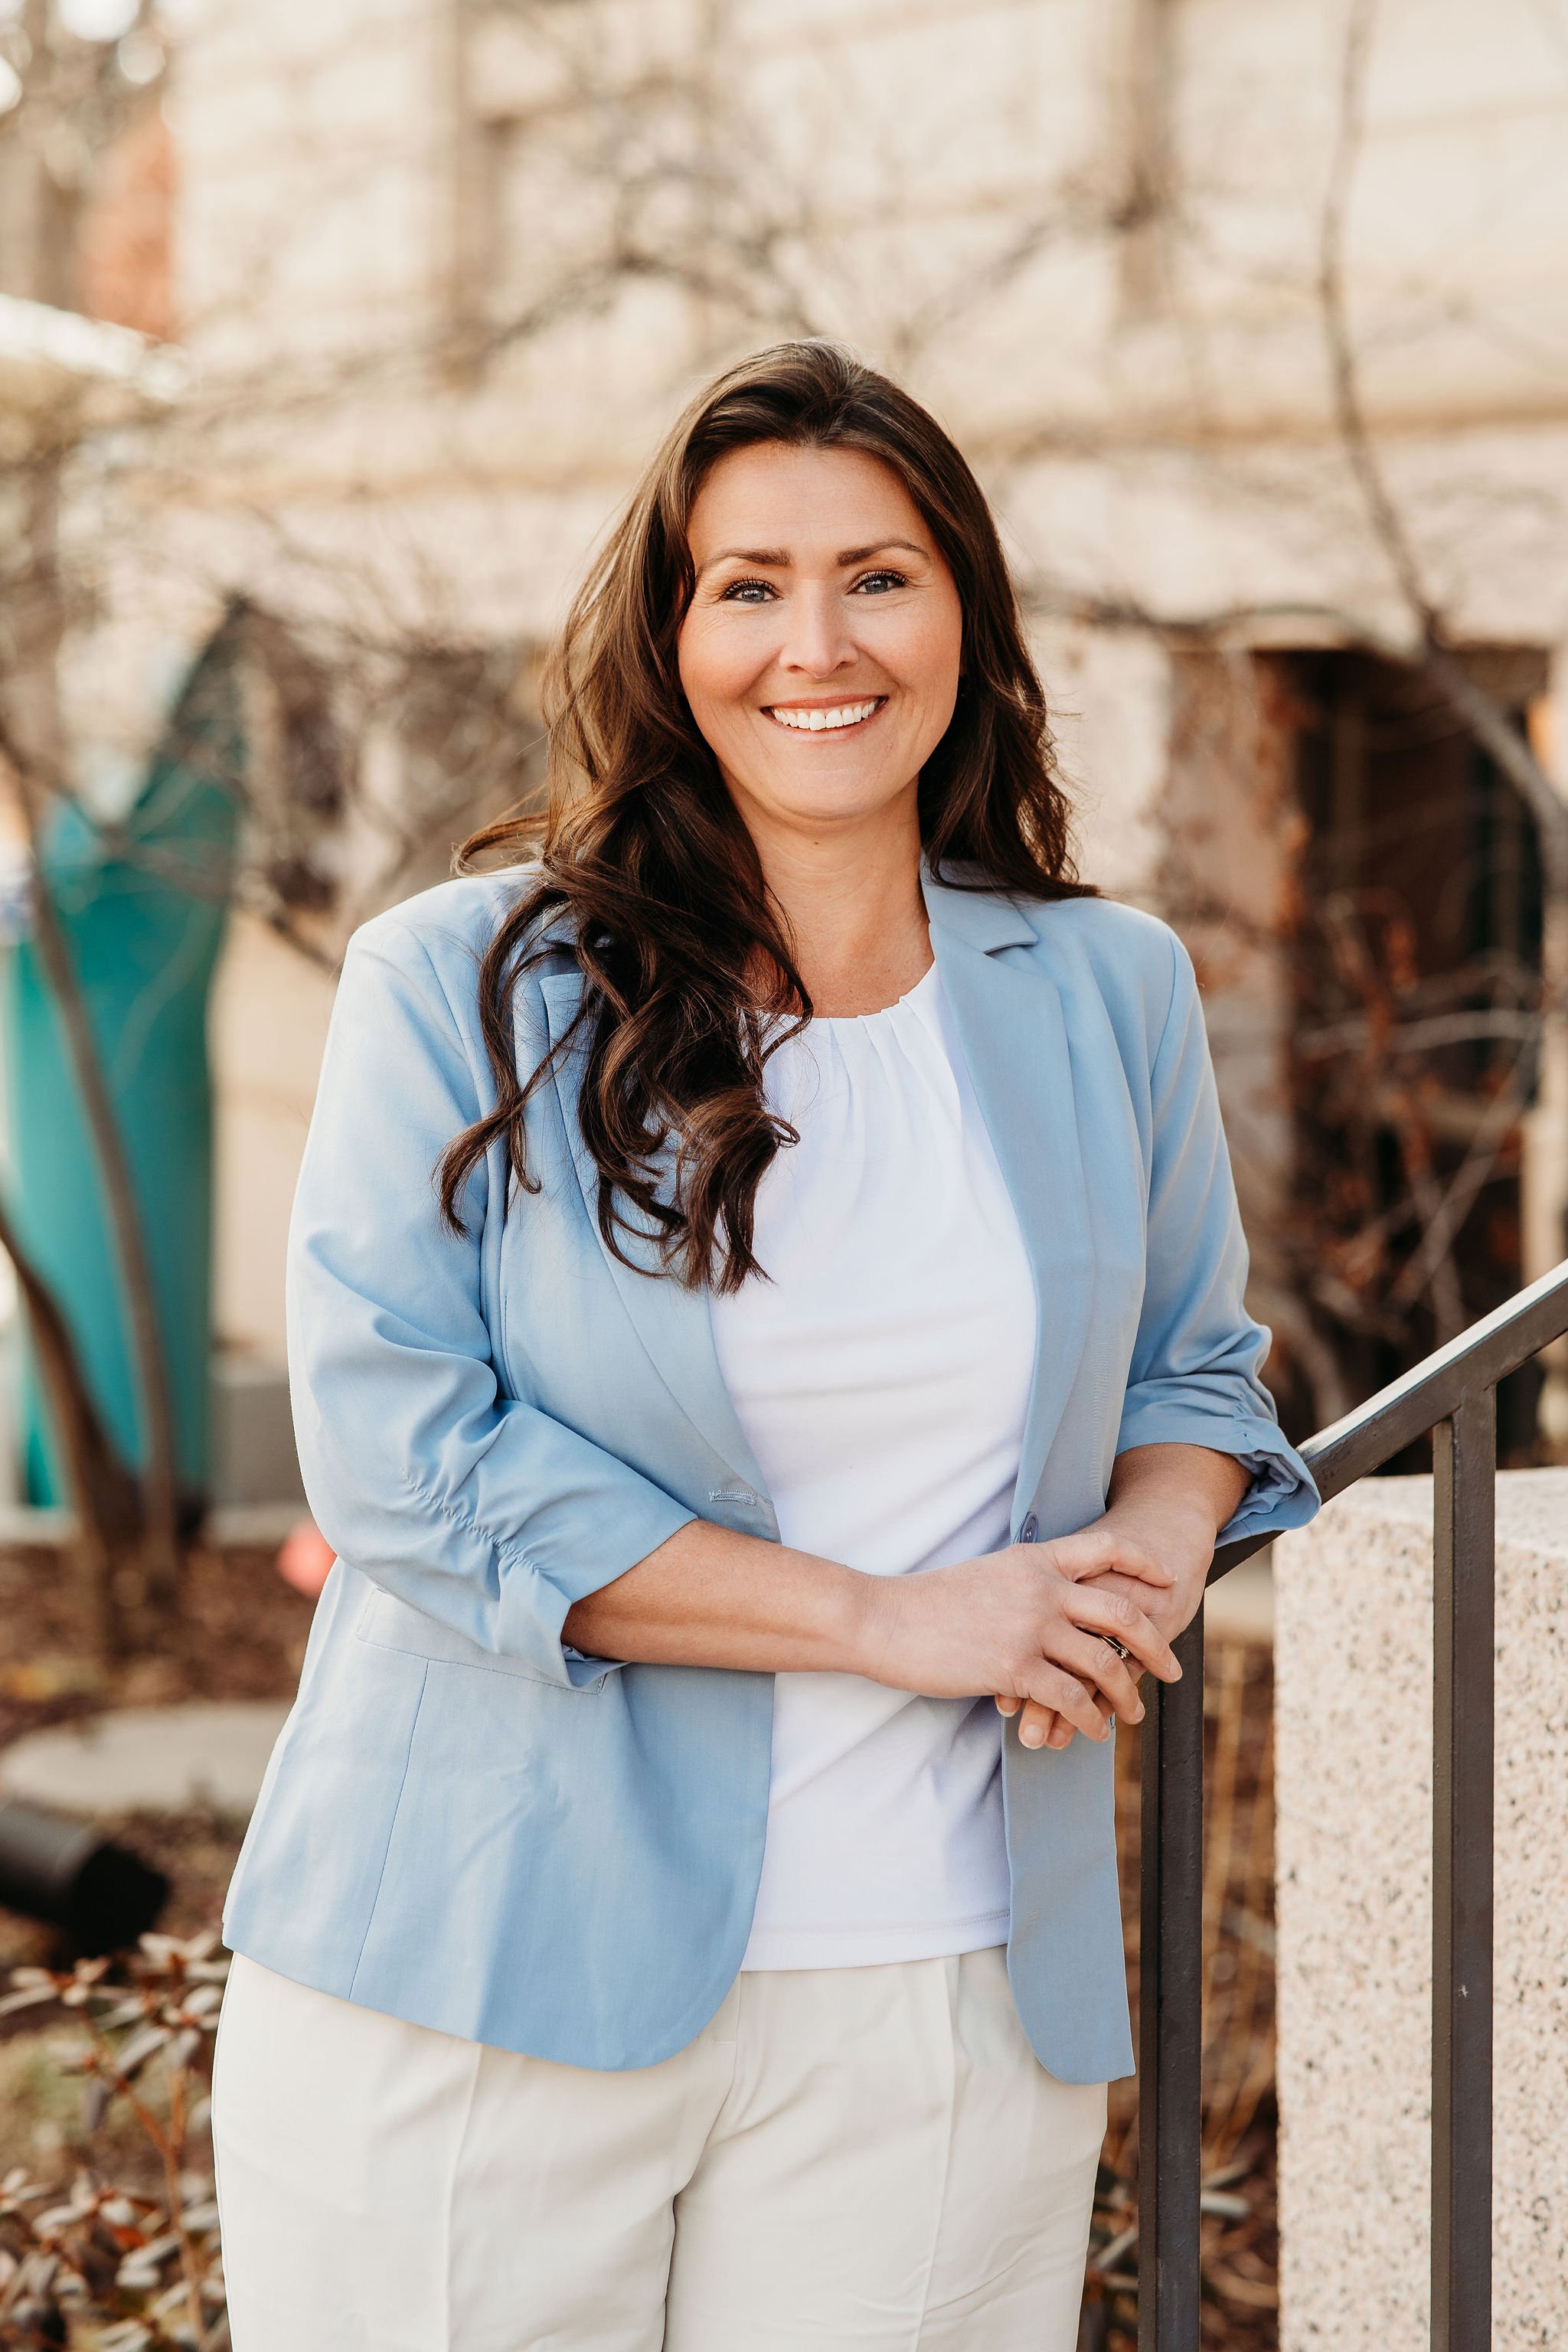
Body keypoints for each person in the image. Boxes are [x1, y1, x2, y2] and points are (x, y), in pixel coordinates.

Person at [211, 341, 1317, 2351]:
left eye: (879, 575)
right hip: (486, 1971)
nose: (820, 639)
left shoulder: (1107, 986)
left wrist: (1149, 1553)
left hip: (952, 1993)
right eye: (749, 583)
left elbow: (1194, 1373)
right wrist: (890, 1620)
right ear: (669, 631)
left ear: (964, 617)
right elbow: (403, 1454)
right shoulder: (457, 986)